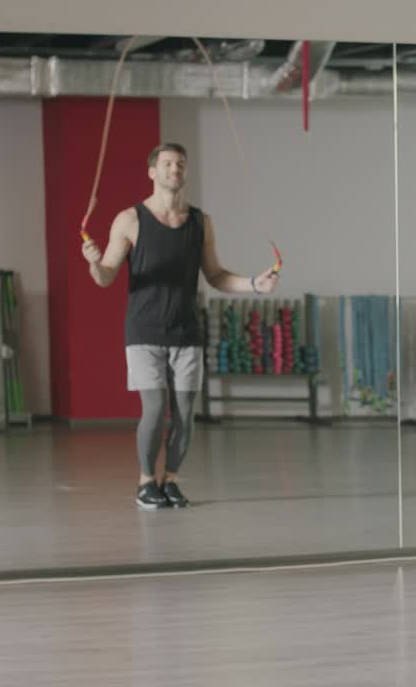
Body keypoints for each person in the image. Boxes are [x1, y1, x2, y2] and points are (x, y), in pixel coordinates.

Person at [82, 142, 281, 510]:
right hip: (143, 332)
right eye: (168, 163)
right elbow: (106, 276)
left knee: (185, 417)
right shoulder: (130, 219)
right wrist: (94, 263)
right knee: (155, 409)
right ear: (152, 172)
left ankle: (170, 480)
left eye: (181, 164)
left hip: (187, 332)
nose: (175, 169)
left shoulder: (200, 222)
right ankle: (146, 482)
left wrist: (255, 284)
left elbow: (217, 275)